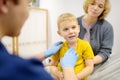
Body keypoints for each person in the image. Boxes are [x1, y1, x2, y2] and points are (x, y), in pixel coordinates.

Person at [0, 0, 78, 80]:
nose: (28, 14)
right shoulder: (29, 74)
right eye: (27, 4)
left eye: (73, 27)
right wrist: (68, 69)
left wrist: (45, 54)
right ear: (4, 3)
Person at [49, 13, 94, 80]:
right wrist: (57, 73)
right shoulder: (59, 47)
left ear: (78, 28)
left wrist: (76, 77)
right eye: (66, 29)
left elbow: (90, 67)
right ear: (60, 33)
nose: (71, 31)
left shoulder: (85, 45)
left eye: (73, 27)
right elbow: (52, 66)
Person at [77, 0, 114, 65]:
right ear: (87, 4)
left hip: (96, 66)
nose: (95, 8)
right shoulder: (75, 22)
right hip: (74, 64)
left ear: (103, 10)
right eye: (92, 4)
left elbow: (105, 52)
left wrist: (89, 62)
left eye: (100, 6)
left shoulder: (107, 27)